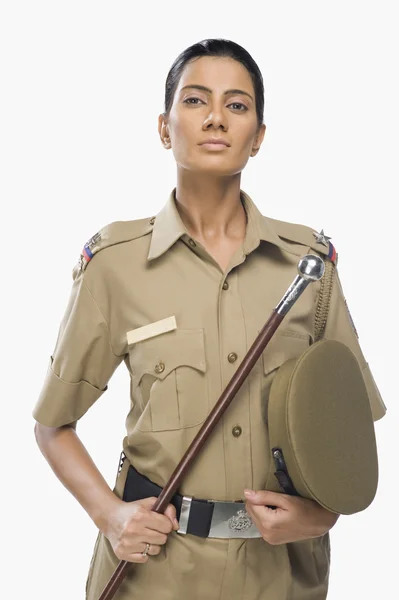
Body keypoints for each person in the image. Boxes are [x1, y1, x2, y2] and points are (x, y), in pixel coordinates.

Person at [32, 38, 386, 600]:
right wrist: (110, 515)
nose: (217, 117)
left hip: (282, 577)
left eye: (238, 105)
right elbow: (52, 426)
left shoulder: (310, 266)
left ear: (259, 138)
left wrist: (322, 517)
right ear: (164, 127)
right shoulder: (115, 264)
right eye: (195, 101)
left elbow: (346, 437)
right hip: (156, 574)